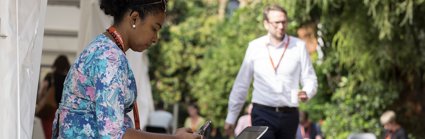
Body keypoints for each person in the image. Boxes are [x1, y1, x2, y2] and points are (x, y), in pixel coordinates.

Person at [51, 0, 201, 138]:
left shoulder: (103, 48)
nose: (155, 38)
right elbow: (114, 135)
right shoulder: (109, 58)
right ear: (134, 18)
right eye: (154, 28)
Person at [224, 4, 318, 139]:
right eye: (276, 23)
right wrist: (231, 118)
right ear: (266, 24)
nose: (281, 26)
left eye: (284, 22)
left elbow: (310, 78)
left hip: (289, 114)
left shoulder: (298, 46)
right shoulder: (255, 47)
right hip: (262, 112)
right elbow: (241, 85)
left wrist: (307, 92)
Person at [35, 55, 70, 139]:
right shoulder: (68, 79)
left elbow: (42, 90)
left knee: (49, 134)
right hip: (63, 111)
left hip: (49, 109)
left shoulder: (50, 76)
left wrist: (40, 100)